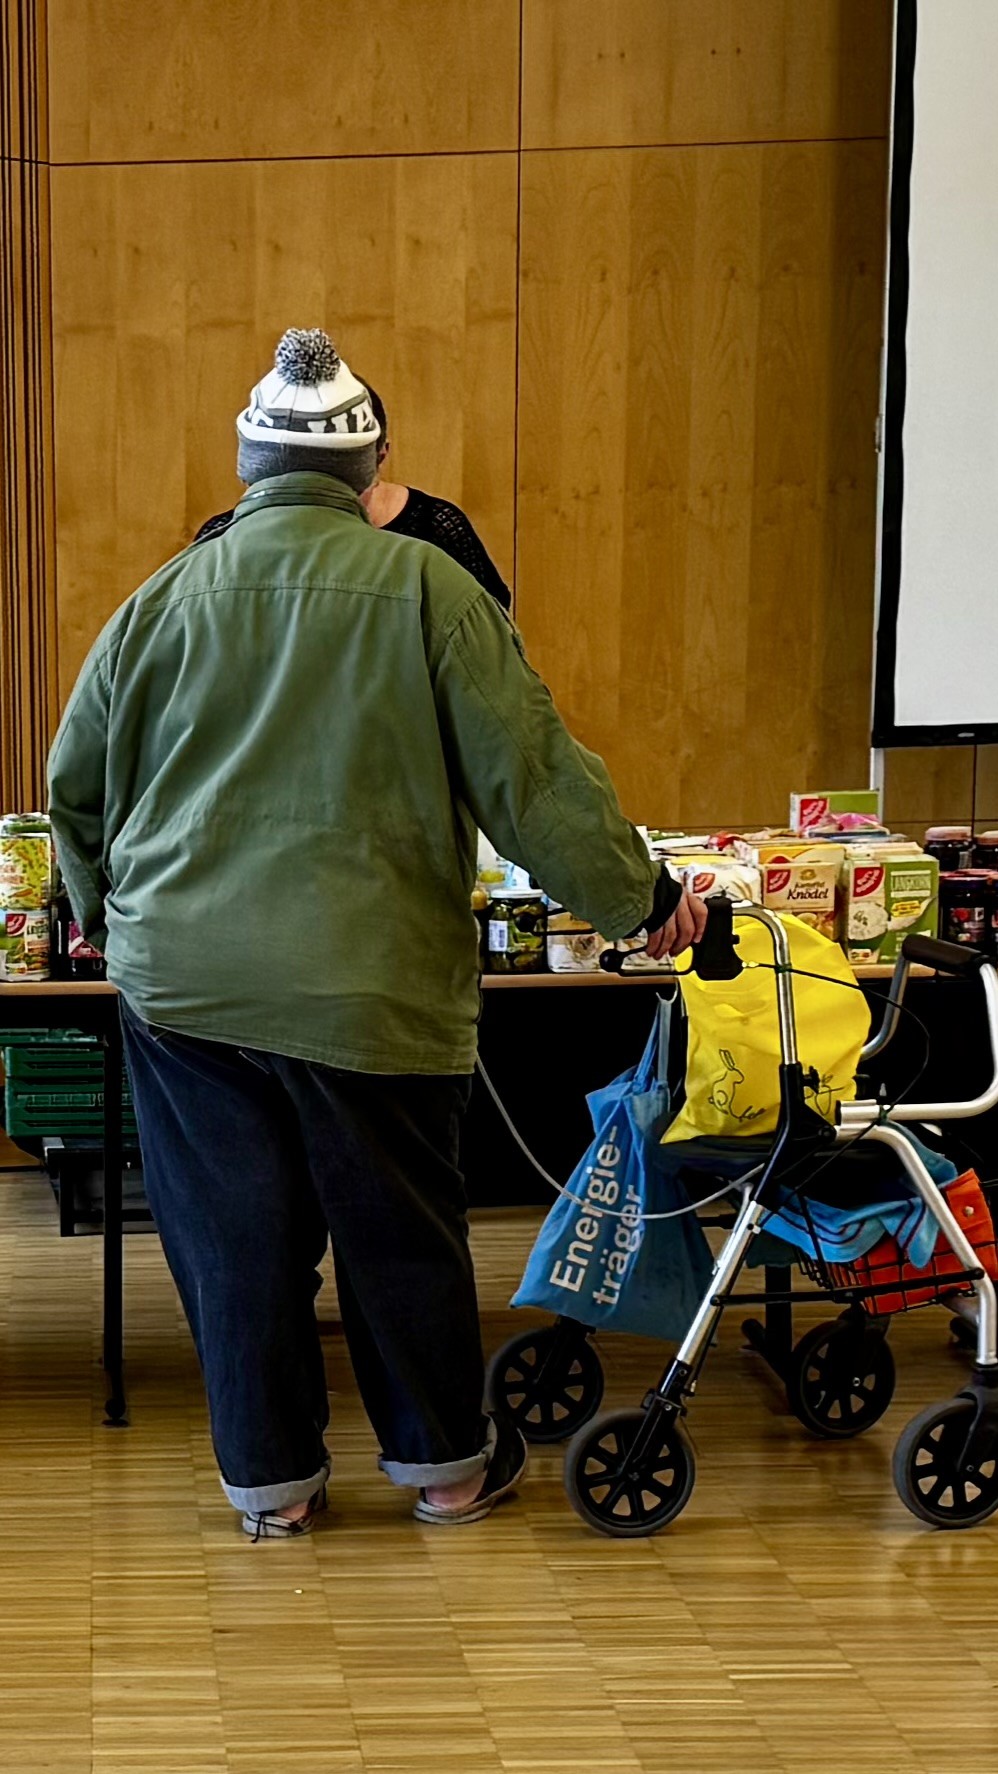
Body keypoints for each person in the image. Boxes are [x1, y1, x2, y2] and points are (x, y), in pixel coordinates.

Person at [48, 326, 706, 1541]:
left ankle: (274, 1492)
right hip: (373, 983)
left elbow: (74, 784)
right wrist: (641, 898)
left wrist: (100, 918)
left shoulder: (161, 599)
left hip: (185, 986)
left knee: (232, 1243)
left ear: (247, 465)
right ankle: (445, 1472)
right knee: (399, 1234)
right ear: (369, 470)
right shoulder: (429, 591)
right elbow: (533, 782)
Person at [195, 377, 511, 609]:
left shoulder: (436, 530)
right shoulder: (222, 541)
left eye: (336, 480)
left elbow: (488, 632)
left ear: (380, 457)